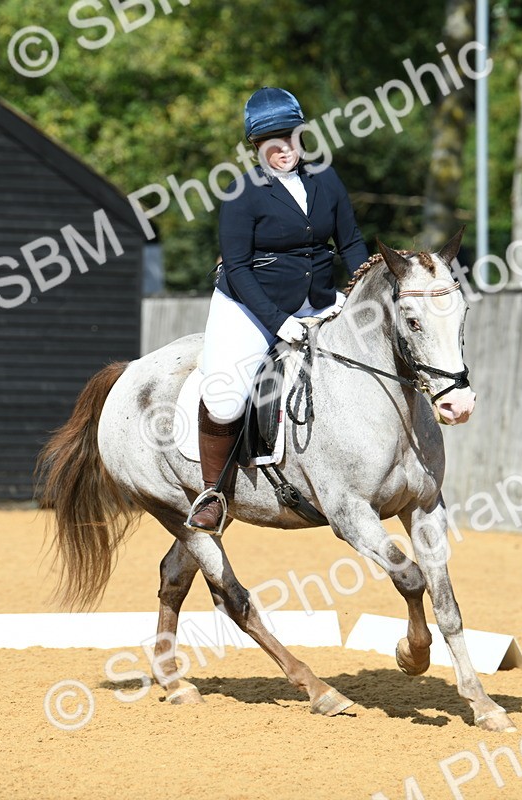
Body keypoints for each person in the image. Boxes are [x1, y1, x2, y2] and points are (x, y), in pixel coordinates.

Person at [187, 86, 370, 532]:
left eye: (289, 137)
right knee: (226, 398)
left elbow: (351, 243)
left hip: (321, 300)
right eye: (271, 141)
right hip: (249, 305)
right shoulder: (241, 193)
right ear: (255, 147)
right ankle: (213, 492)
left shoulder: (325, 178)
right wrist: (279, 321)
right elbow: (238, 267)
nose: (282, 148)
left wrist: (358, 289)